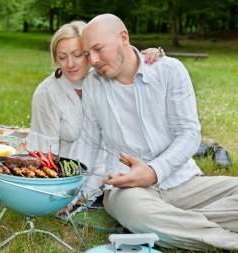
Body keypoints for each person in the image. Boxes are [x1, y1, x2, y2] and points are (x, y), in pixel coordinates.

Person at [77, 13, 238, 250]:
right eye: (88, 53)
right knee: (133, 211)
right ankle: (227, 240)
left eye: (98, 49)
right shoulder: (93, 83)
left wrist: (153, 171)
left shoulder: (169, 70)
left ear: (123, 38)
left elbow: (189, 133)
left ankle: (172, 223)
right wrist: (76, 193)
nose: (93, 60)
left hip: (183, 182)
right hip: (128, 189)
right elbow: (89, 141)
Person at [26, 21, 163, 205]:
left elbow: (131, 64)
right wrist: (58, 190)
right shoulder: (47, 93)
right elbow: (43, 153)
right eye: (62, 57)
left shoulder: (106, 77)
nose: (70, 64)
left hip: (120, 168)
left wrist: (152, 57)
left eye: (77, 55)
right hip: (73, 175)